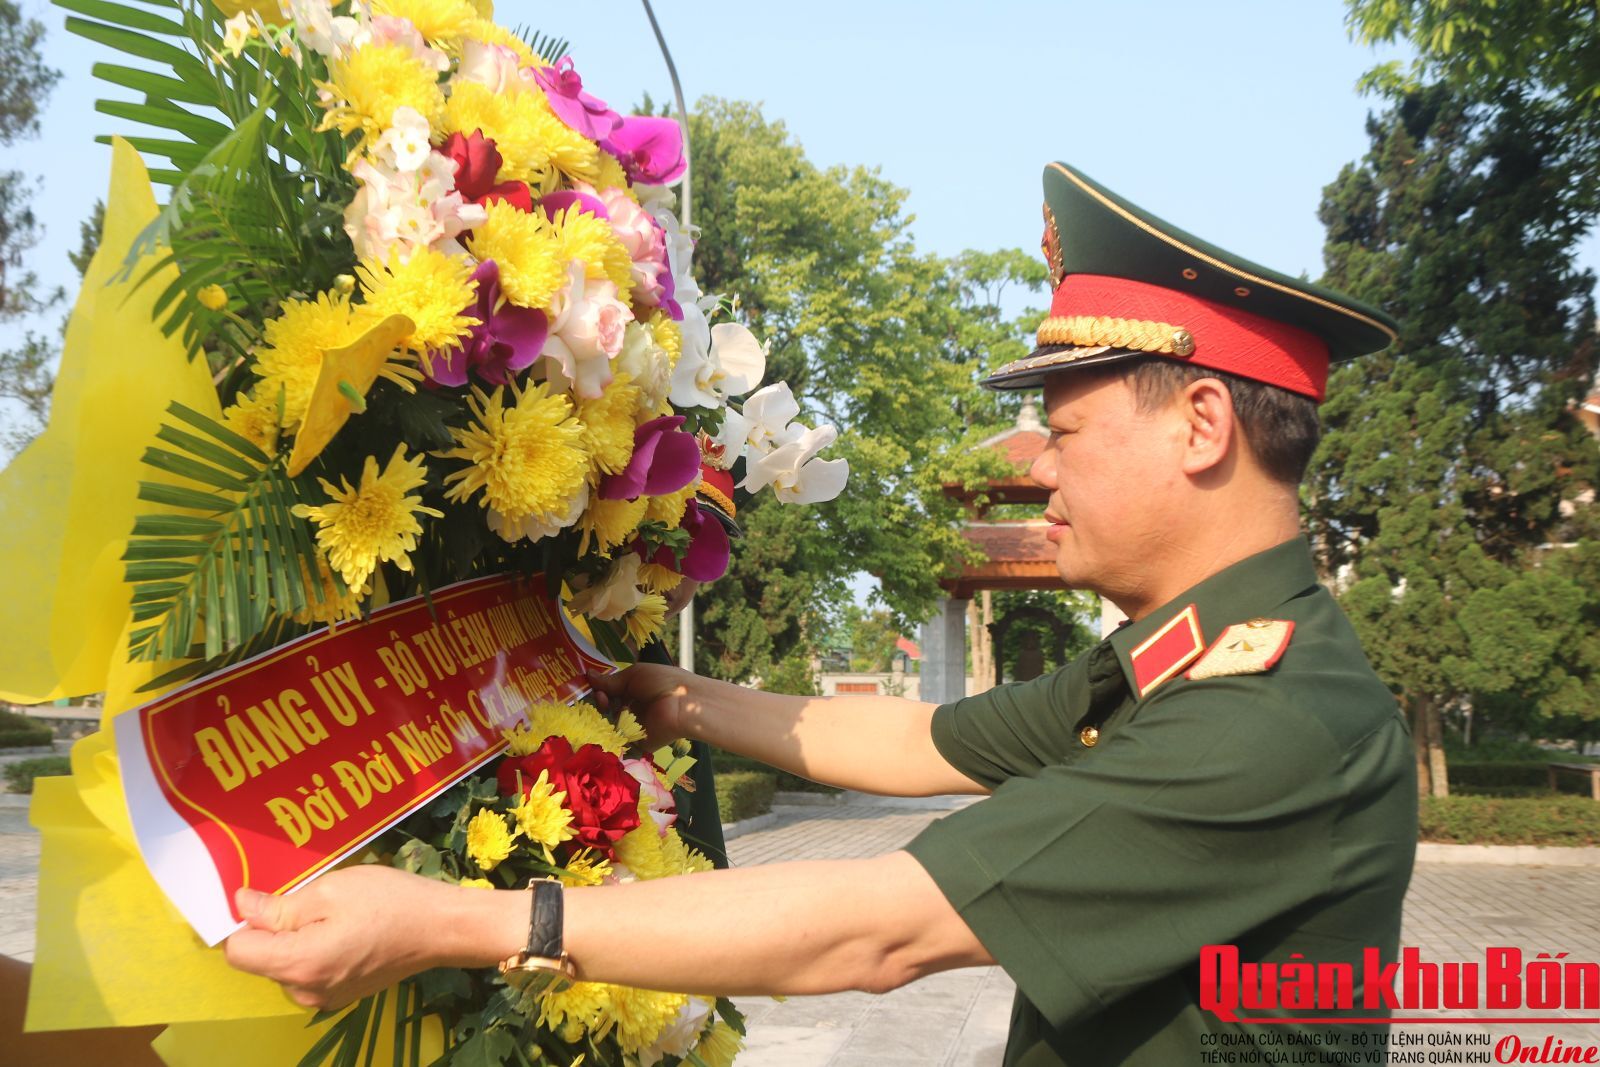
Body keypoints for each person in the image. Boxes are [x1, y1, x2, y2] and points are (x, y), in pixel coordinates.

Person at [225, 161, 1418, 1066]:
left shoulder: (1269, 717)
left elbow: (877, 929)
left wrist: (454, 919)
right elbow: (920, 740)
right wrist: (663, 692)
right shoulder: (1182, 659)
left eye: (1064, 435)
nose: (1044, 473)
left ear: (1200, 425)